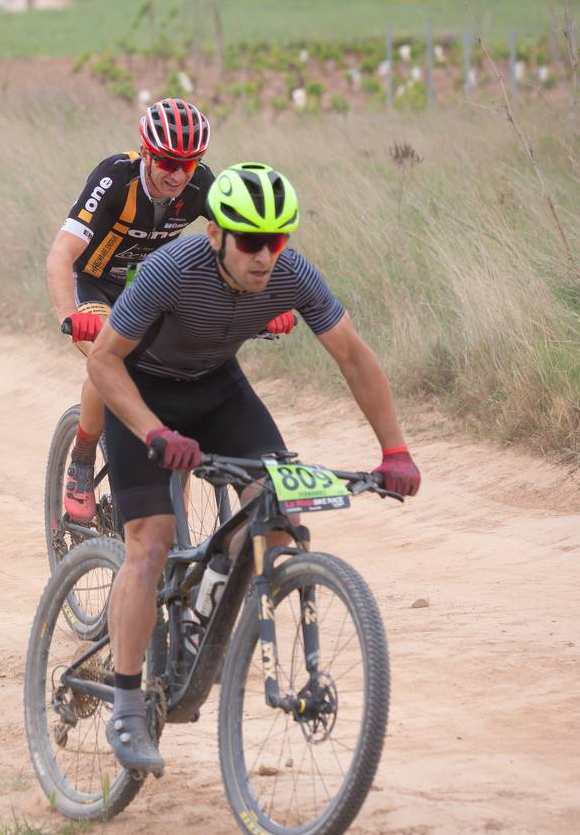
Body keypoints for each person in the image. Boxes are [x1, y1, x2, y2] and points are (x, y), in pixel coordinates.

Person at [84, 162, 421, 774]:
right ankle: (129, 704)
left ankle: (200, 612)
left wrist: (394, 451)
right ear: (216, 234)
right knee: (151, 540)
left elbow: (353, 355)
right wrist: (154, 432)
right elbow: (104, 362)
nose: (265, 256)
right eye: (250, 240)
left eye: (278, 239)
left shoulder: (291, 275)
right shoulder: (170, 271)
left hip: (217, 391)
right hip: (140, 392)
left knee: (278, 519)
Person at [50, 99, 283, 524]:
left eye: (189, 164)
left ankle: (170, 507)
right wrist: (69, 313)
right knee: (111, 362)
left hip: (150, 290)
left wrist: (264, 304)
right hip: (97, 286)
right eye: (168, 162)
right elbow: (62, 253)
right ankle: (82, 460)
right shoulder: (115, 177)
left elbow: (239, 242)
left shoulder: (200, 185)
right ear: (146, 151)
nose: (177, 174)